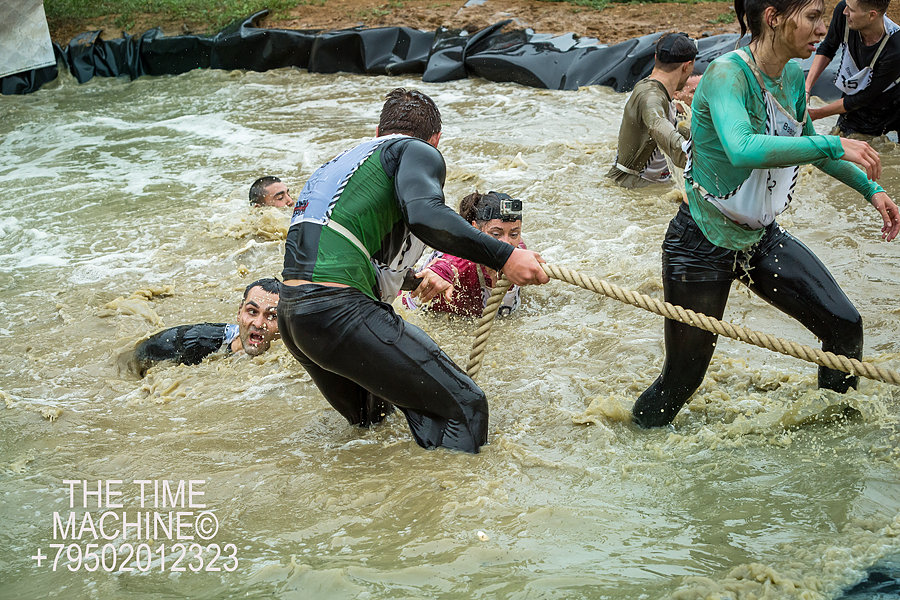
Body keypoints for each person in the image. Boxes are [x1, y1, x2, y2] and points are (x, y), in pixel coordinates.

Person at [631, 0, 899, 428]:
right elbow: (742, 146)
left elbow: (808, 145)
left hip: (761, 239)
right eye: (812, 17)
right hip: (699, 244)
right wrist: (833, 144)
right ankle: (638, 443)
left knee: (844, 327)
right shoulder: (725, 75)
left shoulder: (792, 76)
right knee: (682, 380)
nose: (822, 29)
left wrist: (872, 190)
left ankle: (832, 441)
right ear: (774, 17)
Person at [277, 88, 549, 453]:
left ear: (378, 132)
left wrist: (410, 278)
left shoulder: (339, 163)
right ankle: (456, 504)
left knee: (373, 420)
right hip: (338, 310)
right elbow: (425, 215)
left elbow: (345, 244)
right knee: (465, 407)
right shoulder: (416, 150)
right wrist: (506, 257)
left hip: (295, 316)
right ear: (436, 140)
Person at [401, 190, 527, 317]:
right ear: (475, 230)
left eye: (514, 234)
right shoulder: (463, 261)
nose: (506, 243)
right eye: (496, 234)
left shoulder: (520, 252)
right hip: (423, 313)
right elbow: (448, 264)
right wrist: (441, 273)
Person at [131, 278, 281, 376]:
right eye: (252, 312)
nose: (258, 323)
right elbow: (140, 355)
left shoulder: (289, 355)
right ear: (239, 313)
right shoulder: (198, 341)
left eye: (272, 316)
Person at [606, 32, 698, 189]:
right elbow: (657, 125)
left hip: (645, 184)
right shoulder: (651, 96)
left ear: (656, 58)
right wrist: (700, 161)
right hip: (634, 188)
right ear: (686, 66)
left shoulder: (657, 92)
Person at [804, 0, 900, 137]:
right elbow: (828, 48)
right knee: (843, 136)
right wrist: (807, 89)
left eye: (851, 10)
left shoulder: (895, 48)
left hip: (893, 98)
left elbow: (863, 98)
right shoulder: (844, 12)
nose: (845, 11)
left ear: (871, 15)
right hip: (863, 93)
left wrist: (816, 114)